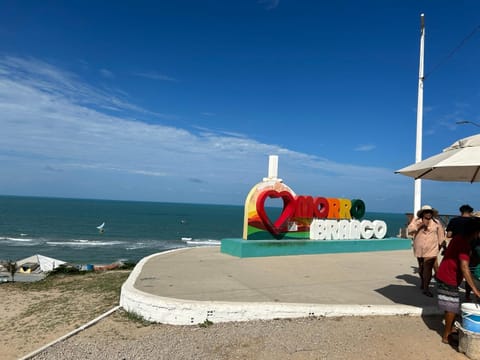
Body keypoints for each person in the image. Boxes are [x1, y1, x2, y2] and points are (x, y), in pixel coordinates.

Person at [436, 217, 480, 345]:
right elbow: (465, 267)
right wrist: (475, 289)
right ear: (475, 232)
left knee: (450, 305)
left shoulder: (458, 238)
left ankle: (450, 328)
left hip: (446, 274)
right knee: (452, 307)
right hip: (449, 277)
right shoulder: (464, 244)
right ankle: (446, 335)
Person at [408, 205, 445, 297]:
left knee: (428, 268)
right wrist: (420, 225)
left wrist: (442, 247)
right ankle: (423, 282)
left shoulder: (437, 222)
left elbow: (441, 236)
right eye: (426, 212)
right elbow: (410, 230)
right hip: (419, 248)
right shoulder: (417, 221)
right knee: (421, 267)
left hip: (432, 248)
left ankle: (426, 288)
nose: (428, 213)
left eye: (430, 212)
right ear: (423, 213)